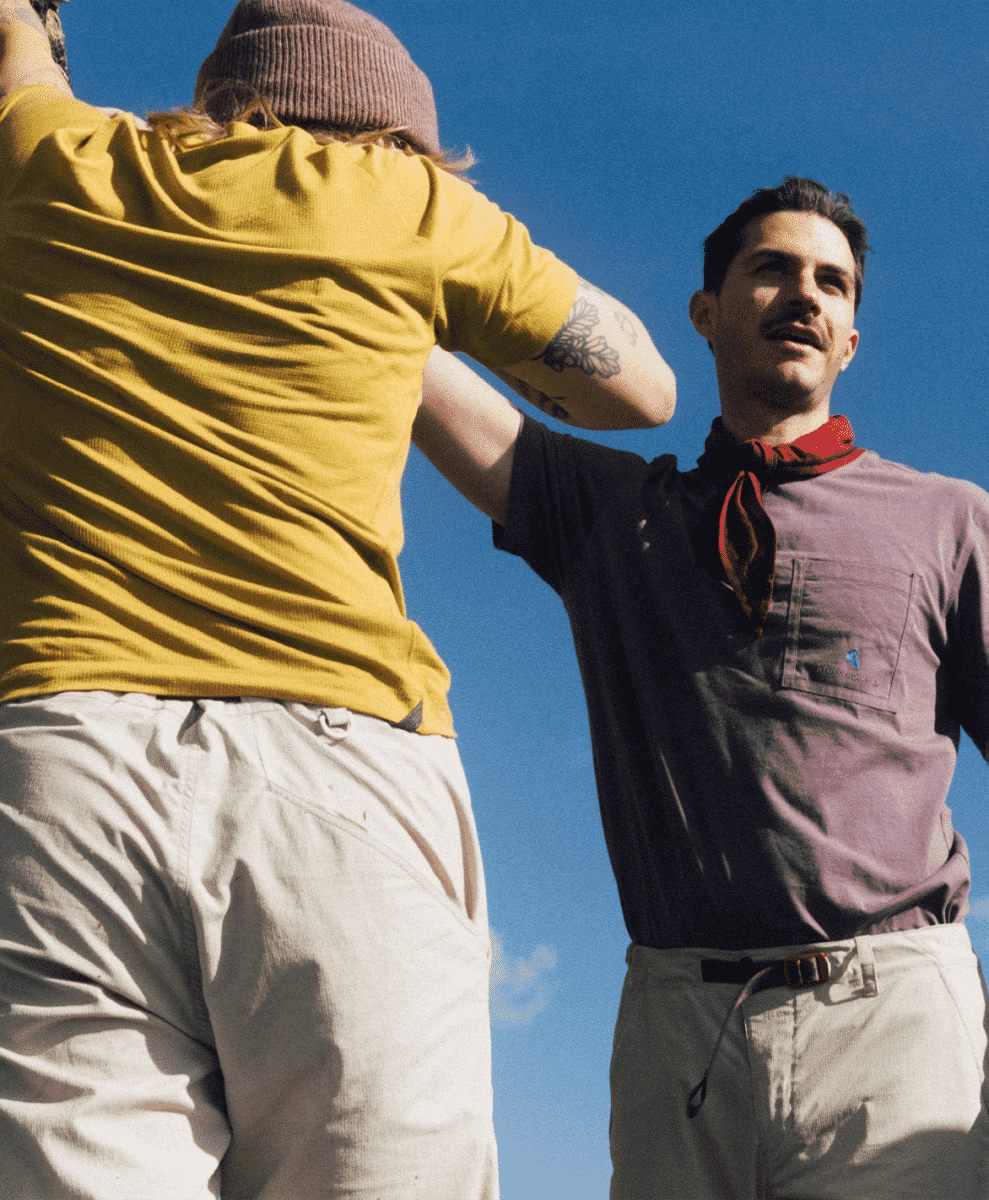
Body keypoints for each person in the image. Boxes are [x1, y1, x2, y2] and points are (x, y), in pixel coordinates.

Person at [0, 1, 676, 1197]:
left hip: (60, 764)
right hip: (334, 756)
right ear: (399, 134)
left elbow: (12, 49)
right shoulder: (407, 208)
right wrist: (390, 309)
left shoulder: (49, 158)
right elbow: (640, 387)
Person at [414, 177, 989, 1199]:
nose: (803, 295)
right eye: (770, 269)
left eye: (831, 283)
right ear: (704, 312)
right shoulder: (609, 514)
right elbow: (407, 370)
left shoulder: (948, 520)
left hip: (893, 1021)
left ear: (850, 339)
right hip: (676, 1031)